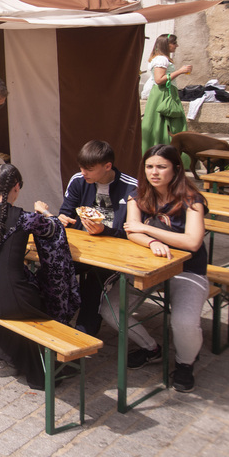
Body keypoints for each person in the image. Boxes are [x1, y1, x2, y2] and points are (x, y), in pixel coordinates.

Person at [0, 164, 79, 390]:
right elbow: (54, 230)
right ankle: (42, 367)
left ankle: (10, 355)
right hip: (10, 298)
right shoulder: (25, 218)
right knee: (45, 304)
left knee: (16, 293)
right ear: (16, 187)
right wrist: (45, 212)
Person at [108, 144, 208, 392]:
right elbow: (132, 231)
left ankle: (185, 363)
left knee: (184, 323)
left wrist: (147, 229)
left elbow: (193, 242)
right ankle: (151, 348)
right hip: (147, 270)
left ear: (175, 169)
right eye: (149, 166)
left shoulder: (192, 199)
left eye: (161, 167)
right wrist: (151, 241)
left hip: (188, 271)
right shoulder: (138, 194)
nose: (154, 172)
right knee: (110, 309)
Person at [57, 140, 139, 335]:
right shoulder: (78, 180)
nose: (83, 172)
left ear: (107, 166)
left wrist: (105, 231)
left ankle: (83, 337)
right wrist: (62, 218)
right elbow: (67, 213)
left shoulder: (131, 188)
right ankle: (54, 321)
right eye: (81, 167)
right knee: (55, 266)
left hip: (114, 255)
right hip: (82, 249)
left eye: (89, 169)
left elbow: (132, 234)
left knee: (94, 283)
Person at [141, 34, 190, 153]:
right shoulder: (161, 59)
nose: (176, 45)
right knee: (162, 125)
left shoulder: (162, 58)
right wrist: (180, 71)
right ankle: (163, 153)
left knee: (165, 125)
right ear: (166, 44)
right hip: (163, 94)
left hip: (166, 93)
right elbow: (159, 79)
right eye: (174, 43)